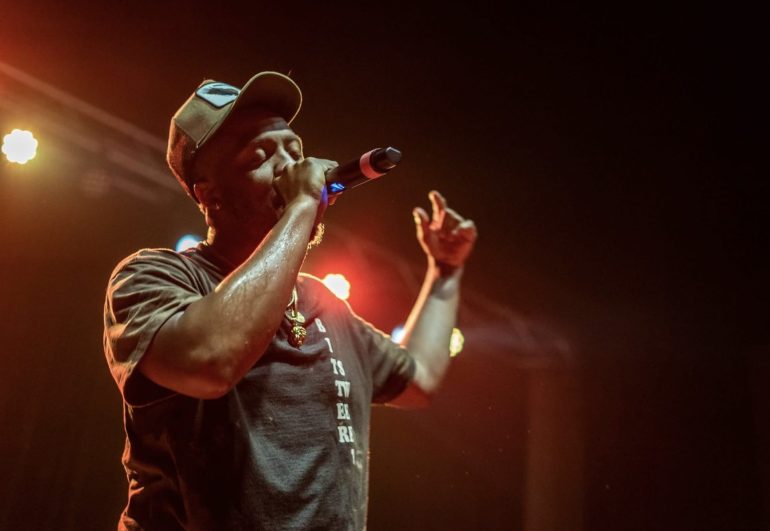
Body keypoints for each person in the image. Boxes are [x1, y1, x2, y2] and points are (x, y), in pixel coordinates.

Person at [103, 71, 477, 531]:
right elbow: (211, 361)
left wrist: (445, 272)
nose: (291, 168)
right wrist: (300, 206)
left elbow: (420, 378)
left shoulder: (324, 302)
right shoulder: (155, 277)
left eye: (295, 152)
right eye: (261, 156)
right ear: (208, 194)